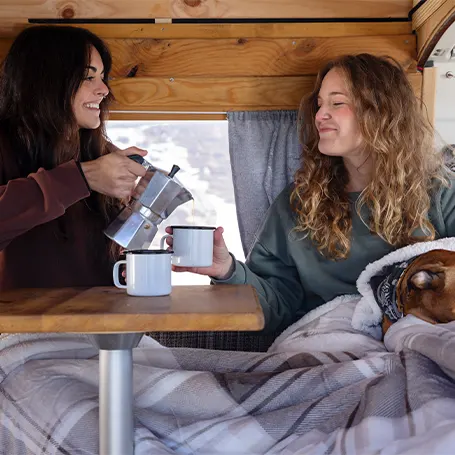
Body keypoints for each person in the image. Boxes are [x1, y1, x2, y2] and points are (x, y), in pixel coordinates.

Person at [166, 53, 455, 334]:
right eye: (319, 105)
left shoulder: (441, 193)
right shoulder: (299, 203)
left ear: (381, 112)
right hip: (324, 340)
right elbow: (277, 304)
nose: (320, 115)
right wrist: (227, 269)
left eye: (337, 103)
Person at [0, 25, 149, 291]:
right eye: (87, 77)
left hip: (105, 325)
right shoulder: (5, 146)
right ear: (46, 82)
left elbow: (109, 266)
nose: (104, 90)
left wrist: (137, 210)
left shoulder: (99, 154)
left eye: (103, 77)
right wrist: (83, 177)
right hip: (22, 330)